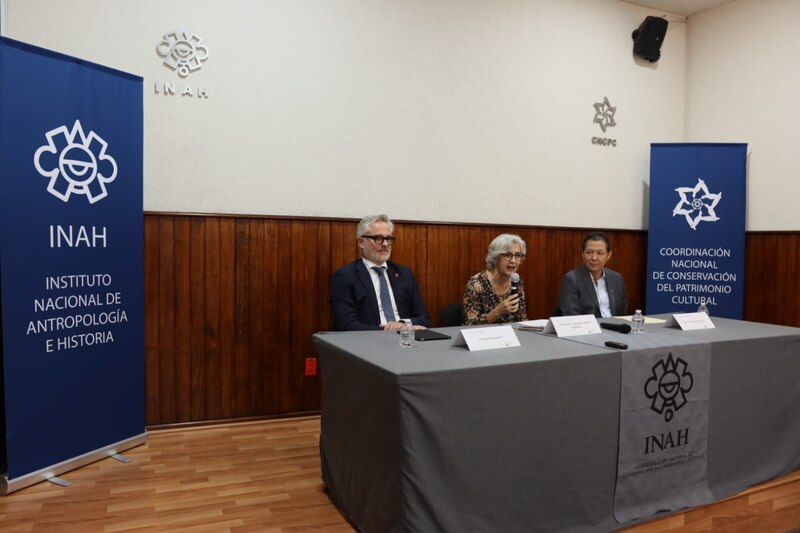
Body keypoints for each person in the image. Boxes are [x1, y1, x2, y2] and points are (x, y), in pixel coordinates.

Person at [329, 214, 431, 331]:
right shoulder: (345, 276)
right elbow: (346, 324)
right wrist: (387, 330)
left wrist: (403, 324)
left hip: (406, 338)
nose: (385, 244)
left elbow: (424, 319)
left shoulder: (404, 274)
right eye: (378, 238)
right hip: (368, 343)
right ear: (361, 242)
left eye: (389, 239)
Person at [556, 231, 628, 317]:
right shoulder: (572, 279)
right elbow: (571, 316)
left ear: (609, 255)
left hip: (614, 328)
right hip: (587, 329)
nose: (594, 258)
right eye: (589, 252)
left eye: (600, 253)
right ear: (582, 254)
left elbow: (622, 314)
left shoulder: (616, 278)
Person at [462, 234, 528, 325]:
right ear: (495, 257)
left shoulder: (516, 282)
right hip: (483, 337)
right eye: (507, 255)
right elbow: (469, 325)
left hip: (510, 336)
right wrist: (498, 311)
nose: (513, 261)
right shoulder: (476, 284)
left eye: (517, 255)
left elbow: (522, 319)